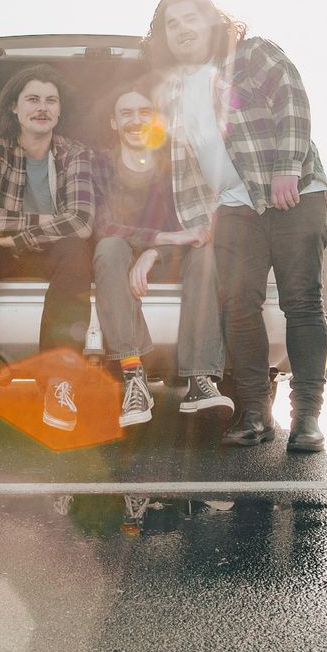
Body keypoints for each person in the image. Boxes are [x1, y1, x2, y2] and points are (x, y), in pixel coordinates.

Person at [144, 0, 327, 452]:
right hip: (233, 206)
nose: (183, 29)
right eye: (172, 23)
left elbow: (293, 101)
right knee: (238, 305)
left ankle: (306, 417)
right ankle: (254, 414)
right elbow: (184, 167)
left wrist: (288, 166)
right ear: (163, 36)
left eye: (191, 18)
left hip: (293, 194)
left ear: (211, 22)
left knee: (301, 301)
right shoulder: (171, 91)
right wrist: (197, 219)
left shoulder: (252, 54)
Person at [0, 67, 97, 436]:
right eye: (32, 99)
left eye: (50, 100)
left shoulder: (76, 153)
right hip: (1, 251)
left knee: (77, 250)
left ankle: (59, 385)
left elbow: (82, 223)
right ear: (14, 106)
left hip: (38, 249)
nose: (42, 108)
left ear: (59, 110)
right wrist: (46, 221)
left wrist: (19, 237)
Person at [91, 83, 234, 427]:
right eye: (126, 113)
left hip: (170, 257)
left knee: (204, 254)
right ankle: (133, 377)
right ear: (114, 122)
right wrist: (159, 237)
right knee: (108, 248)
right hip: (121, 256)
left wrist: (154, 250)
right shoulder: (100, 163)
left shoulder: (174, 163)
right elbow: (102, 225)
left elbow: (192, 224)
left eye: (144, 112)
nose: (135, 120)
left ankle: (201, 381)